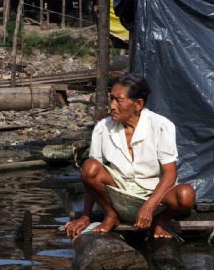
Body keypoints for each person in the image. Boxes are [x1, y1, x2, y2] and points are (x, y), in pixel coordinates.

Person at [65, 74, 195, 239]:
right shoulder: (102, 128)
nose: (112, 106)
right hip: (120, 193)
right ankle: (111, 215)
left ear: (138, 104)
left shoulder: (161, 125)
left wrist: (149, 206)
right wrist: (86, 216)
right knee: (89, 167)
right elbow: (90, 178)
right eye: (111, 99)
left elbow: (170, 173)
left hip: (153, 194)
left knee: (186, 195)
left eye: (118, 100)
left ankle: (161, 220)